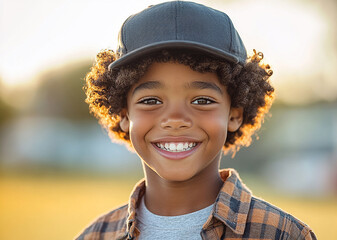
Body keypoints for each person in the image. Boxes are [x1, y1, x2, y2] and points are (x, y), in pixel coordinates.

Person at [76, 1, 316, 239]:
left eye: (202, 100)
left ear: (234, 115)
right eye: (151, 101)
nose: (175, 119)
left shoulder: (283, 235)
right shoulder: (96, 236)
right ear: (124, 115)